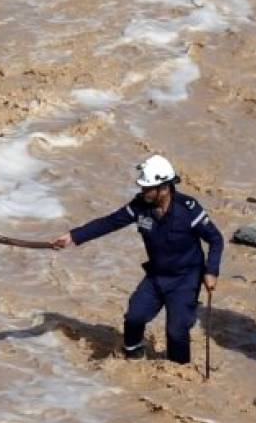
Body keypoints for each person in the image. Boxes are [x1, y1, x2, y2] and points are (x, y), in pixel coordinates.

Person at [52, 155, 223, 363]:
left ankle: (178, 370)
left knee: (176, 331)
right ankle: (133, 354)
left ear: (164, 188)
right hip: (156, 275)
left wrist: (211, 270)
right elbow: (110, 222)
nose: (143, 192)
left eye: (147, 188)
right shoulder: (140, 205)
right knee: (134, 317)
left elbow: (216, 239)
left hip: (185, 279)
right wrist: (73, 236)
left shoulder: (188, 209)